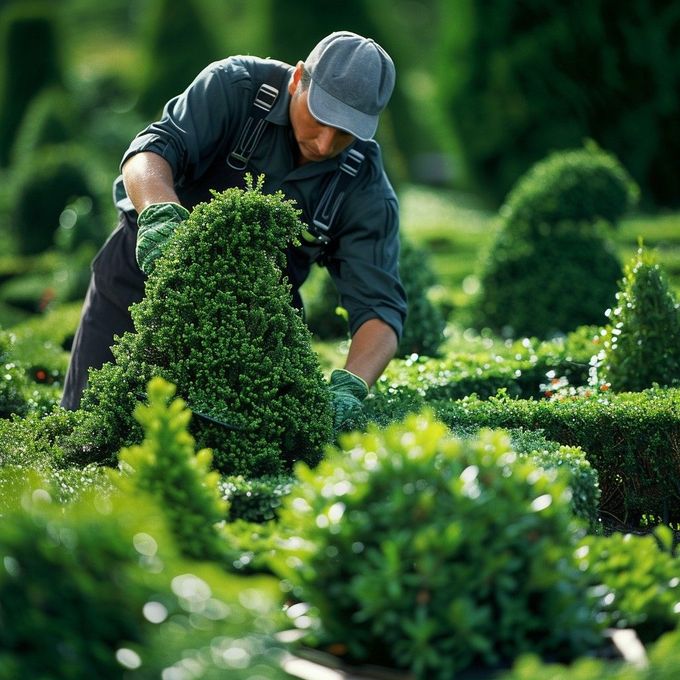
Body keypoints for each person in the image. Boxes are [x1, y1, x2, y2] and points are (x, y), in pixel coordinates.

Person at [61, 30, 407, 431]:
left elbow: (380, 308)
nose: (327, 142)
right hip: (143, 283)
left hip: (254, 327)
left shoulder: (362, 184)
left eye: (346, 131)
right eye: (321, 117)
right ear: (297, 80)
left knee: (231, 457)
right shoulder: (236, 87)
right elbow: (151, 150)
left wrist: (352, 385)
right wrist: (159, 214)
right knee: (86, 431)